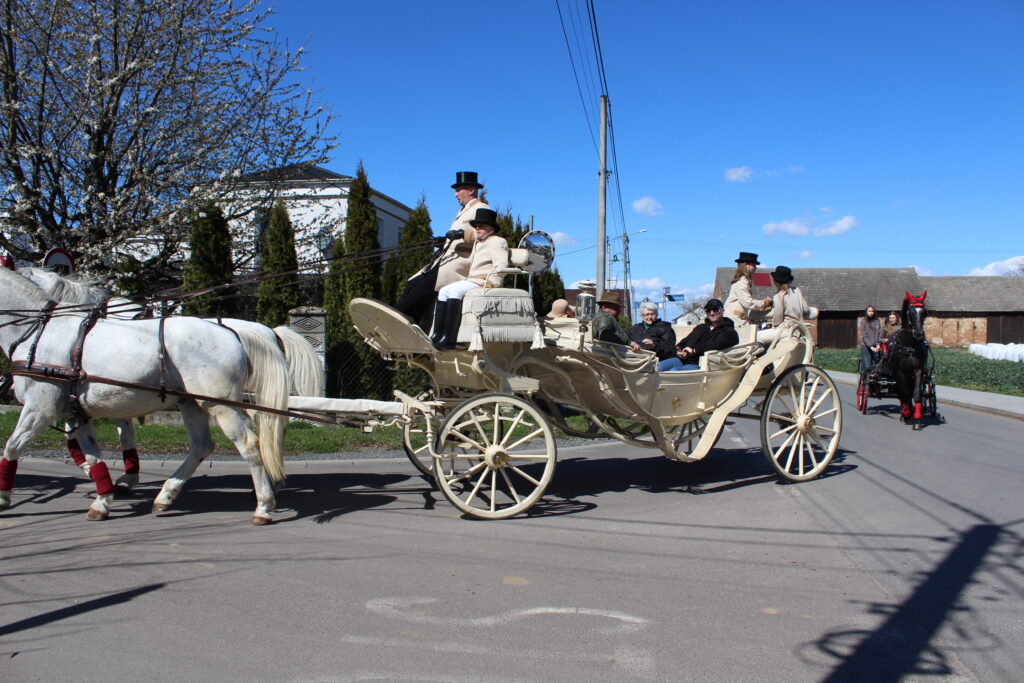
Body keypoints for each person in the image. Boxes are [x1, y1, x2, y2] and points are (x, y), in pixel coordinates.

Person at [396, 171, 491, 328]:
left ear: (471, 190)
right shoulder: (463, 211)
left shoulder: (482, 208)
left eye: (458, 190)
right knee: (413, 282)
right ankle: (408, 320)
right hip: (447, 258)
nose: (455, 194)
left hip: (462, 262)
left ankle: (401, 318)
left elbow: (486, 232)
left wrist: (463, 234)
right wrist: (444, 241)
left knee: (426, 285)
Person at [430, 207, 509, 349]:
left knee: (455, 292)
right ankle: (437, 335)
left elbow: (501, 267)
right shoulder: (479, 242)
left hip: (483, 281)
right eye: (476, 225)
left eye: (481, 225)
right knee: (443, 291)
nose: (477, 228)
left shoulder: (498, 241)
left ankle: (449, 338)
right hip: (471, 279)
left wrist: (491, 284)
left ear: (490, 227)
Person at [659, 298, 738, 371]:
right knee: (658, 366)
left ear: (722, 310)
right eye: (708, 310)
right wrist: (680, 348)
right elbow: (687, 340)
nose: (712, 313)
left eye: (715, 309)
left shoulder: (729, 332)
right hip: (683, 360)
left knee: (674, 371)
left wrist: (694, 350)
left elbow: (716, 344)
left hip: (699, 364)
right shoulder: (701, 327)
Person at [756, 265, 812, 343]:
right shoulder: (797, 291)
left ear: (777, 282)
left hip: (786, 330)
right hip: (799, 329)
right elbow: (806, 309)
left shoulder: (778, 296)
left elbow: (778, 318)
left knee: (756, 337)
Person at [724, 251, 771, 338]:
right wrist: (764, 303)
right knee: (754, 338)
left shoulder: (744, 281)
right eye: (753, 265)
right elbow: (748, 302)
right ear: (746, 265)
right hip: (735, 319)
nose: (755, 267)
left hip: (737, 318)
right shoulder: (742, 282)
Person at [859, 305, 883, 372]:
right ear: (866, 312)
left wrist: (878, 344)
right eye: (869, 311)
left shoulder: (877, 321)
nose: (871, 312)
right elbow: (864, 336)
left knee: (877, 367)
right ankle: (864, 377)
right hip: (866, 347)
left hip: (876, 347)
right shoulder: (863, 321)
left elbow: (878, 333)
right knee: (868, 367)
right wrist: (871, 347)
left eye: (872, 311)